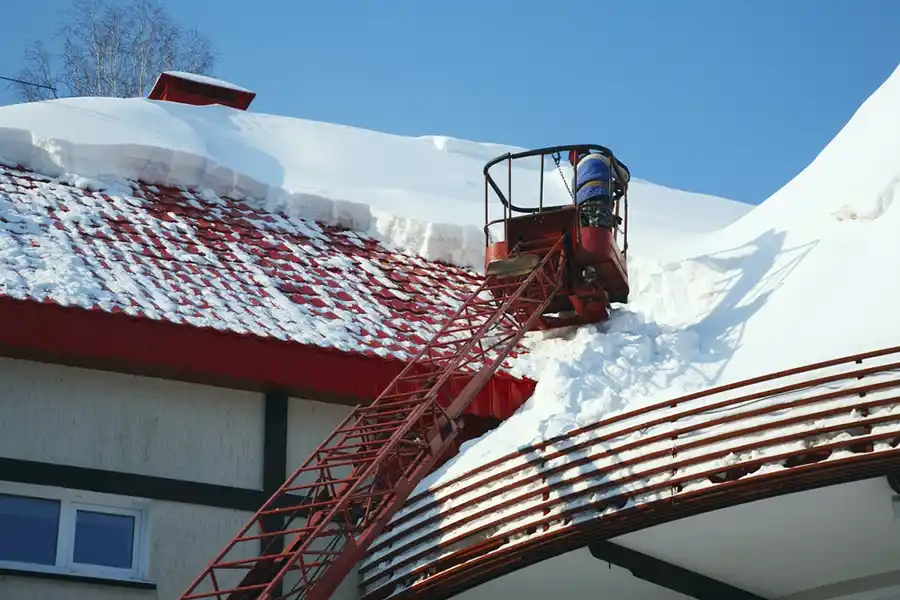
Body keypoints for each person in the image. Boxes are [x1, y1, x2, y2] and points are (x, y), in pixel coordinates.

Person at [568, 148, 621, 229]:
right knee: (600, 230)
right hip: (600, 198)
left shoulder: (575, 175)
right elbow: (624, 175)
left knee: (585, 234)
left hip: (580, 206)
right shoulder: (600, 157)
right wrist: (617, 185)